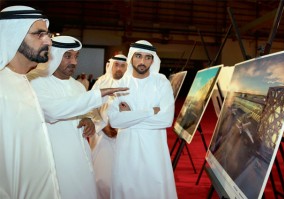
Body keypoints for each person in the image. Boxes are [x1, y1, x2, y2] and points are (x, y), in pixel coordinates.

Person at [28, 36, 128, 199]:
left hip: (81, 159)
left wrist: (89, 122)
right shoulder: (37, 82)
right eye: (68, 56)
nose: (74, 62)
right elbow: (52, 111)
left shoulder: (78, 87)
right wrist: (97, 95)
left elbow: (88, 114)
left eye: (76, 56)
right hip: (55, 159)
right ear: (53, 55)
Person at [0, 5, 61, 199]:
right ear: (13, 36)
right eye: (39, 34)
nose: (49, 42)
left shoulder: (23, 80)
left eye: (48, 34)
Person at [107, 40, 178, 199]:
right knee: (126, 188)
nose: (142, 61)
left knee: (154, 188)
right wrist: (151, 111)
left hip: (154, 149)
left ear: (153, 60)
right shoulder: (121, 83)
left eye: (147, 57)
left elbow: (166, 119)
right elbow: (115, 121)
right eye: (138, 56)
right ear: (132, 57)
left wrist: (129, 116)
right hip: (127, 149)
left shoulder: (161, 82)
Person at [89, 54, 127, 199]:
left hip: (123, 138)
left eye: (123, 65)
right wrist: (103, 126)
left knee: (121, 178)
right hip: (102, 137)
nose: (119, 68)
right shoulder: (100, 82)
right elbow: (90, 108)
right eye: (116, 65)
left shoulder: (131, 84)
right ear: (110, 65)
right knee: (102, 178)